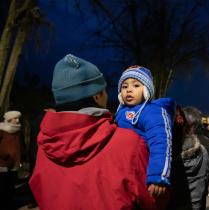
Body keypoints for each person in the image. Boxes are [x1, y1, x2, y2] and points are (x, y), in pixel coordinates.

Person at [29, 54, 161, 210]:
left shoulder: (43, 143)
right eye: (104, 90)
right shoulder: (130, 143)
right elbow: (154, 201)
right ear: (97, 95)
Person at [115, 65, 175, 197]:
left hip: (143, 171)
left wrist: (158, 175)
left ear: (147, 90)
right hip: (121, 170)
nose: (129, 90)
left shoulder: (153, 112)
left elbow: (160, 142)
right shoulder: (120, 112)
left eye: (136, 85)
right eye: (124, 87)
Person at [0, 110, 22, 210]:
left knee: (10, 185)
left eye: (18, 118)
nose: (17, 120)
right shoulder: (2, 130)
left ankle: (10, 204)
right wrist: (4, 154)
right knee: (3, 185)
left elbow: (17, 146)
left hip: (14, 163)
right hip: (2, 163)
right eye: (15, 118)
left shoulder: (17, 130)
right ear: (9, 119)